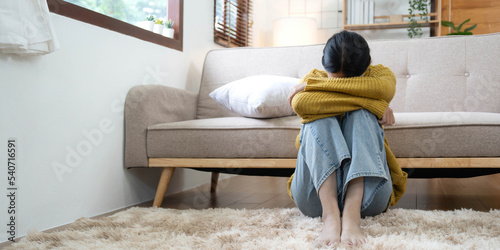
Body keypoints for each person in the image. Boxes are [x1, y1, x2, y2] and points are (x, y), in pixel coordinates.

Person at [287, 30, 407, 246]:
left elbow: (383, 90)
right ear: (324, 64)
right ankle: (330, 216)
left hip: (369, 197)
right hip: (313, 198)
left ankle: (352, 216)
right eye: (335, 80)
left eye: (350, 81)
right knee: (318, 118)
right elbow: (300, 104)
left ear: (368, 63)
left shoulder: (380, 77)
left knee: (360, 115)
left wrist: (314, 88)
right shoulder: (315, 76)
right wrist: (374, 105)